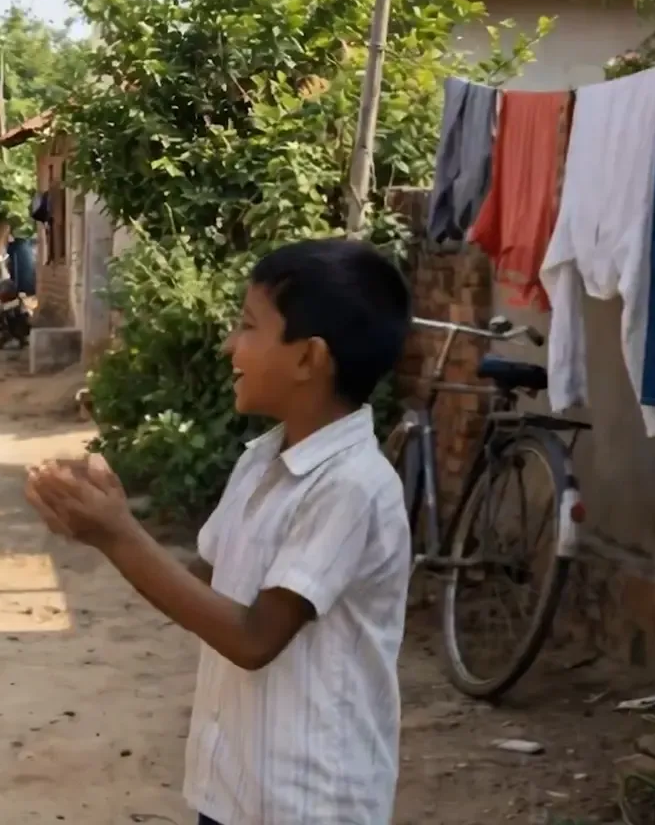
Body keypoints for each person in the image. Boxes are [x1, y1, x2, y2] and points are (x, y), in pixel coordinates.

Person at [25, 237, 413, 825]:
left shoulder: (352, 486)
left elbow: (255, 638)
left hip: (310, 803)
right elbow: (208, 585)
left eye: (248, 326)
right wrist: (101, 523)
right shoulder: (262, 460)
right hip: (235, 789)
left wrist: (119, 535)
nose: (230, 344)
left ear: (309, 358)